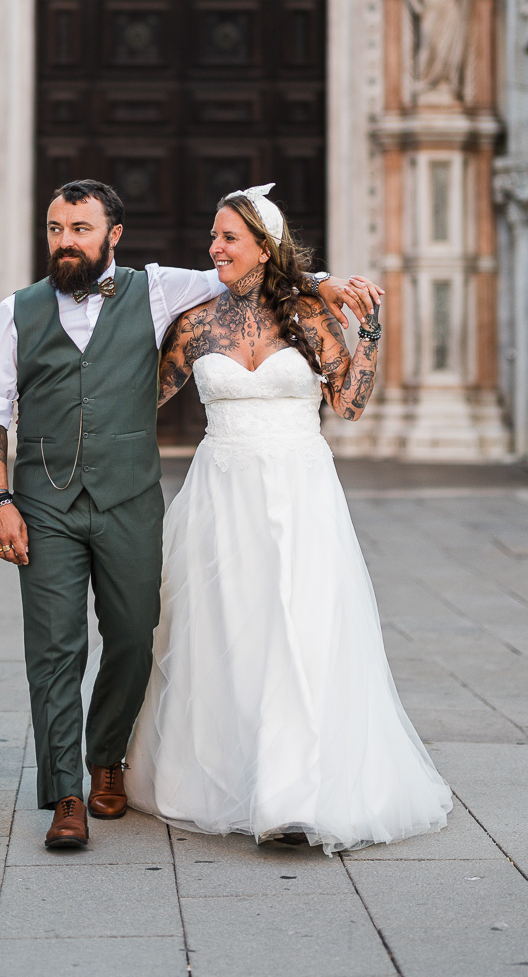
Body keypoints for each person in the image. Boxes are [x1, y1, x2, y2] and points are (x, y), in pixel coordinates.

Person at [0, 178, 377, 851]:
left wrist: (323, 286)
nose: (65, 240)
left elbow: (247, 272)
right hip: (44, 500)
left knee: (134, 636)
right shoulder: (17, 311)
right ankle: (66, 793)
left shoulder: (159, 290)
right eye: (55, 228)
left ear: (113, 236)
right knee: (54, 647)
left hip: (135, 498)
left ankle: (109, 758)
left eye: (79, 228)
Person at [125, 184, 453, 853]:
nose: (213, 247)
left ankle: (294, 794)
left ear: (262, 249)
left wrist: (372, 333)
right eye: (213, 236)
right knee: (228, 630)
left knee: (299, 628)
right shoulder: (197, 324)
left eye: (227, 237)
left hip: (301, 491)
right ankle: (233, 776)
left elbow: (350, 405)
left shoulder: (309, 318)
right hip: (221, 493)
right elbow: (143, 402)